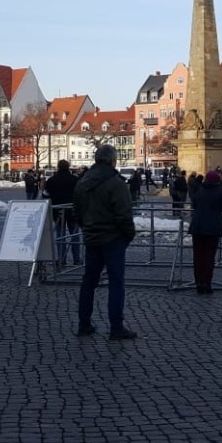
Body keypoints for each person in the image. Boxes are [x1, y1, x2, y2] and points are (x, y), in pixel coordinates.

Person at [75, 144, 137, 340]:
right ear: (113, 160)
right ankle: (116, 327)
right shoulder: (115, 183)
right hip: (113, 238)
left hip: (92, 238)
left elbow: (77, 212)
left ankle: (84, 324)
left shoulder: (82, 183)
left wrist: (87, 228)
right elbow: (124, 215)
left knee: (88, 282)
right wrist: (128, 235)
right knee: (116, 282)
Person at [189, 170, 222, 294]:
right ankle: (207, 283)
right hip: (212, 227)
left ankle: (199, 283)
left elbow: (194, 203)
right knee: (209, 257)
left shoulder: (199, 189)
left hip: (197, 227)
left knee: (198, 256)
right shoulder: (219, 191)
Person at [44, 160, 80, 265]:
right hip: (73, 211)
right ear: (68, 167)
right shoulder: (75, 180)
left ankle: (61, 259)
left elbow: (45, 194)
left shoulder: (52, 180)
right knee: (75, 234)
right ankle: (76, 259)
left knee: (60, 235)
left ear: (58, 167)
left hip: (58, 211)